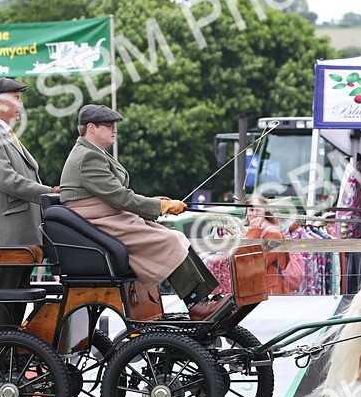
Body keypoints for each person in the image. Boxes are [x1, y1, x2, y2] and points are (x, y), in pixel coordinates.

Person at [59, 104, 233, 323]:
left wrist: (155, 203)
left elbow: (116, 195)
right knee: (168, 239)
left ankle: (203, 298)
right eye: (109, 125)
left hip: (109, 217)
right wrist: (161, 207)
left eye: (115, 126)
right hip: (97, 223)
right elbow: (119, 198)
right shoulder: (87, 157)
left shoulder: (94, 153)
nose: (114, 130)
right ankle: (196, 305)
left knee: (177, 237)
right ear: (91, 127)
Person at [0, 77, 58, 328]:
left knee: (13, 303)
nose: (20, 105)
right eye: (16, 98)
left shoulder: (2, 133)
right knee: (0, 304)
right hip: (1, 238)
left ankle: (7, 358)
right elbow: (8, 180)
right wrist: (49, 193)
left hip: (16, 237)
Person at [245, 197, 293, 296]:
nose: (253, 214)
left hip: (271, 289)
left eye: (258, 210)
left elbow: (255, 263)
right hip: (258, 287)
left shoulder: (273, 233)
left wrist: (254, 231)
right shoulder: (253, 230)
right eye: (251, 209)